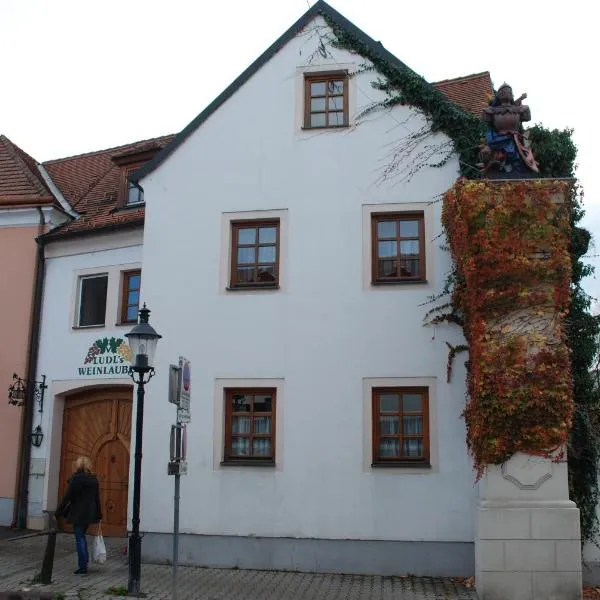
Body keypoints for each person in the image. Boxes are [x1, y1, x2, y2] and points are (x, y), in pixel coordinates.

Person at [55, 456, 102, 574]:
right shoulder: (94, 480)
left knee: (79, 538)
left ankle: (83, 565)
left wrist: (58, 512)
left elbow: (67, 497)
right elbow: (97, 498)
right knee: (82, 536)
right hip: (90, 513)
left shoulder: (76, 480)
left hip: (78, 512)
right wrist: (99, 514)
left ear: (78, 466)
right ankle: (84, 562)